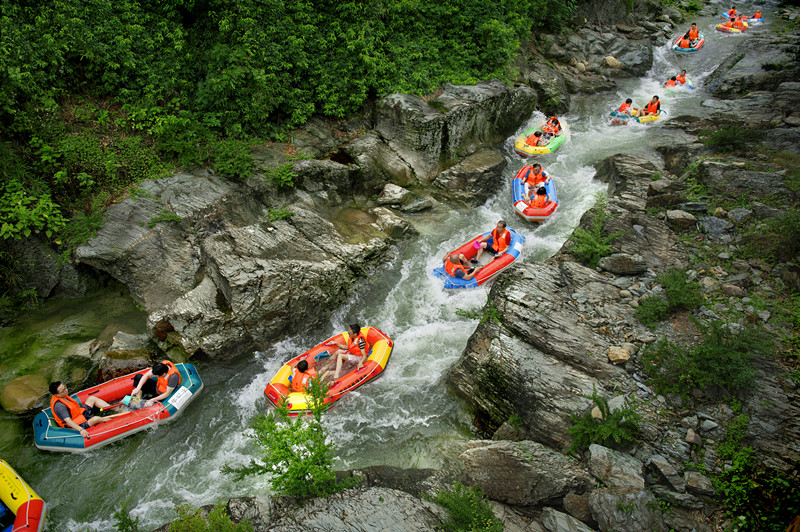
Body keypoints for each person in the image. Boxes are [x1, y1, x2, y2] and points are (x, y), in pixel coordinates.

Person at [49, 381, 116, 439]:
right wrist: (81, 430)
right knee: (96, 419)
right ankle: (117, 420)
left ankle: (117, 408)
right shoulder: (60, 406)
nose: (66, 390)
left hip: (80, 415)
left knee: (92, 398)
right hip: (78, 424)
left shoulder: (63, 396)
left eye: (65, 387)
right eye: (63, 391)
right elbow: (68, 421)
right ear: (57, 395)